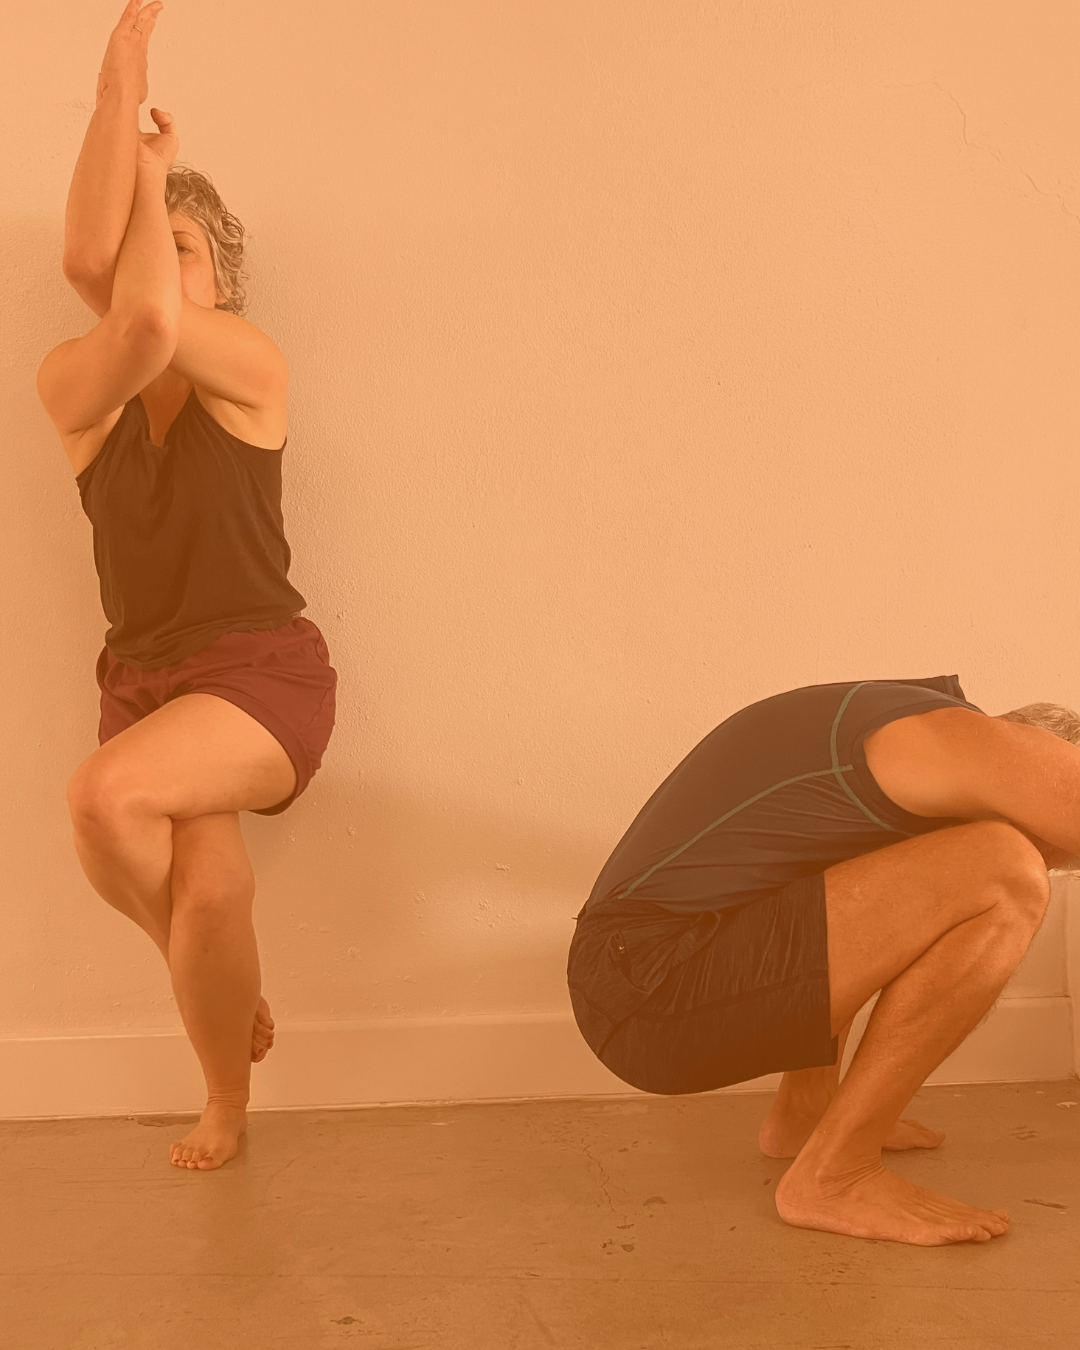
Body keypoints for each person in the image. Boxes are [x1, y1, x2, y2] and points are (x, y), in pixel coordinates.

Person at [36, 1, 337, 1171]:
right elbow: (116, 297)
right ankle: (226, 1092)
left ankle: (200, 978)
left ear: (222, 279)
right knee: (211, 902)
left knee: (102, 803)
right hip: (145, 683)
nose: (157, 267)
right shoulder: (79, 388)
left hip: (260, 677)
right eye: (145, 244)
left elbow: (149, 310)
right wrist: (117, 88)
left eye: (185, 245)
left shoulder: (251, 371)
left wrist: (147, 145)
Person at [567, 675, 1080, 1246]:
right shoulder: (971, 742)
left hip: (634, 978)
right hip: (652, 985)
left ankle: (805, 1114)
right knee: (1004, 868)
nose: (1056, 864)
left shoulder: (904, 737)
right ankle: (838, 1174)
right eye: (1058, 853)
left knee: (910, 874)